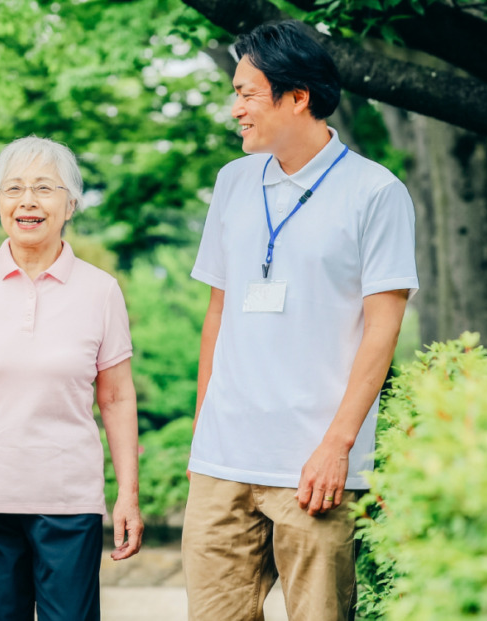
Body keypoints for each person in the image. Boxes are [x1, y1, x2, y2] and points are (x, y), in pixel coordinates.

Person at [182, 21, 419, 621]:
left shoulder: (375, 192)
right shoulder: (232, 183)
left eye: (246, 93)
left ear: (297, 97)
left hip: (314, 467)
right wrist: (202, 427)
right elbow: (218, 310)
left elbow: (383, 328)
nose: (235, 108)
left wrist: (337, 447)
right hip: (222, 462)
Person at [0, 136, 144, 621]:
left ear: (70, 203)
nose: (27, 201)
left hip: (68, 498)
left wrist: (128, 493)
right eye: (13, 188)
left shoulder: (101, 291)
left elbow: (119, 397)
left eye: (44, 188)